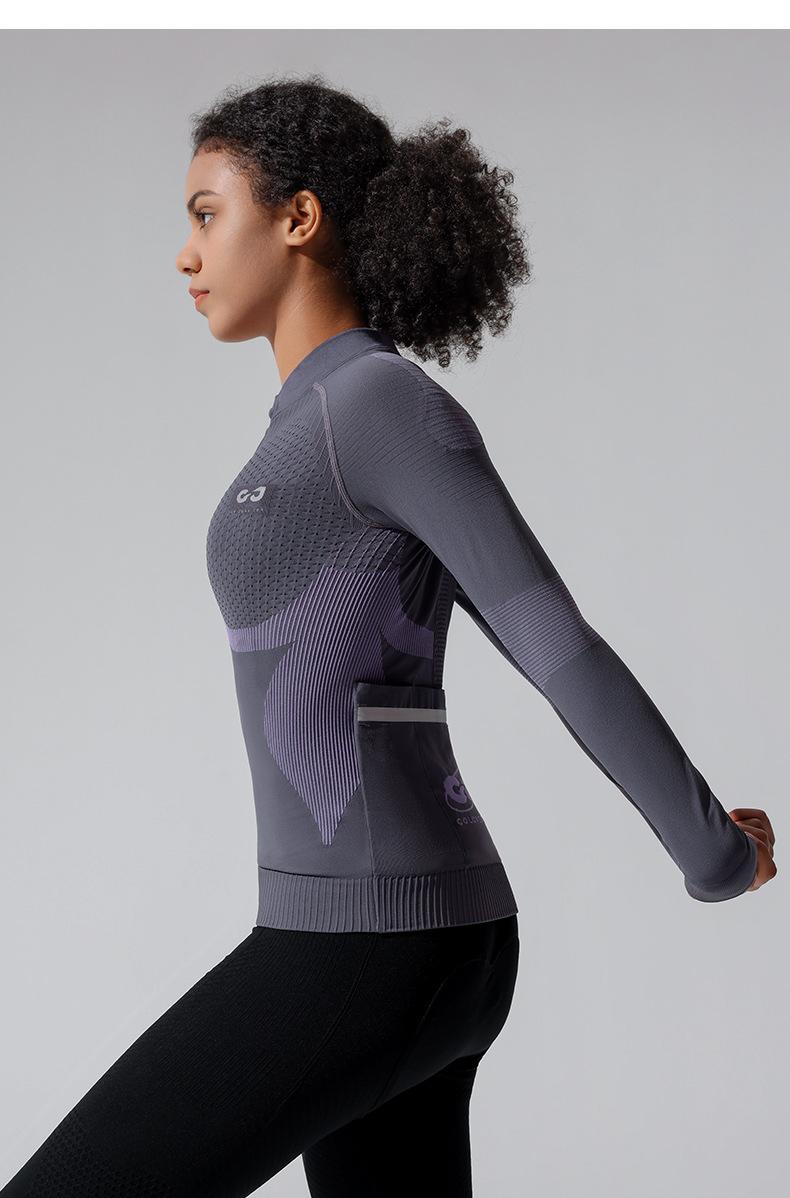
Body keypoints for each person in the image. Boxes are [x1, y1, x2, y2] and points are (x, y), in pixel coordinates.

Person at [1, 73, 775, 1197]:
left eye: (207, 213)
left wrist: (708, 845)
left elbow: (550, 637)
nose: (185, 252)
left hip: (373, 947)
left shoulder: (377, 407)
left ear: (299, 218)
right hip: (391, 940)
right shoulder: (315, 420)